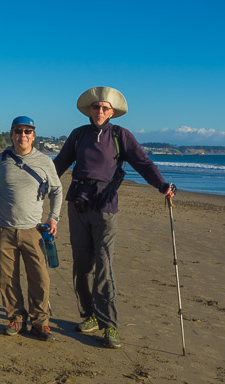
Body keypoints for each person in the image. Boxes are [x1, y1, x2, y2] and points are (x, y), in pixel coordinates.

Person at [53, 86, 176, 349]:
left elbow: (143, 163)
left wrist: (162, 185)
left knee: (104, 266)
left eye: (104, 108)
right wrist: (36, 186)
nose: (99, 111)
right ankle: (89, 316)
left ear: (112, 112)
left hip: (106, 206)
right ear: (89, 110)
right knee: (81, 266)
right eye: (96, 107)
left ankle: (109, 326)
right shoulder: (78, 135)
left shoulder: (121, 135)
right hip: (77, 205)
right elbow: (58, 165)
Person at [0, 116, 63, 341]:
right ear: (11, 135)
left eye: (27, 132)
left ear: (34, 136)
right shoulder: (1, 159)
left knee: (40, 277)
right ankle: (16, 318)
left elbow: (57, 190)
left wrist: (53, 218)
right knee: (7, 277)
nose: (23, 136)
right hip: (3, 229)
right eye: (18, 131)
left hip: (33, 230)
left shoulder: (45, 161)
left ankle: (41, 322)